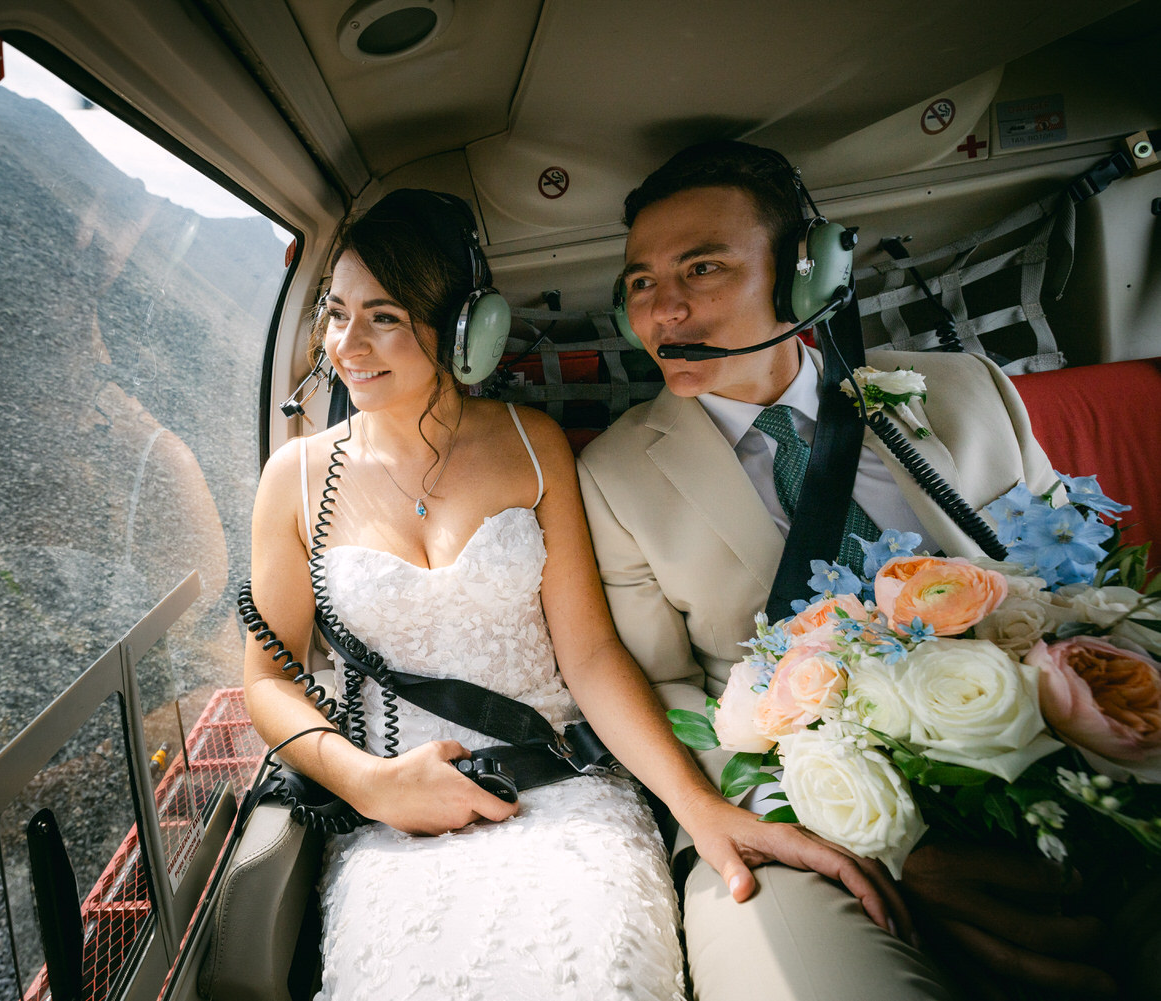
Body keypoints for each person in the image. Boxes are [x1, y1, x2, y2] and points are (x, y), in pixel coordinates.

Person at [243, 188, 908, 1001]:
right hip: (393, 821)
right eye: (335, 313)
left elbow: (591, 655)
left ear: (466, 330)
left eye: (383, 316)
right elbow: (269, 678)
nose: (347, 344)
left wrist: (698, 806)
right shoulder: (294, 478)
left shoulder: (534, 442)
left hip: (562, 795)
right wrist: (363, 781)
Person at [577, 140, 1117, 1001]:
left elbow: (1072, 583)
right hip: (797, 816)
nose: (663, 311)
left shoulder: (965, 389)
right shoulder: (613, 475)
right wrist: (861, 831)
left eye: (702, 267)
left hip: (1050, 758)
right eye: (640, 282)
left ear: (805, 280)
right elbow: (672, 694)